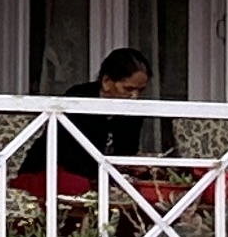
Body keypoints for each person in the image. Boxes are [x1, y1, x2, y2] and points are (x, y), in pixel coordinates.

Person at [55, 48, 158, 193]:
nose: (134, 96)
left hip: (105, 174)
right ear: (107, 81)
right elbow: (68, 154)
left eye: (140, 91)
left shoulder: (133, 110)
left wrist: (136, 164)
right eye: (128, 89)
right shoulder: (79, 98)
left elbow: (126, 151)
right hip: (57, 171)